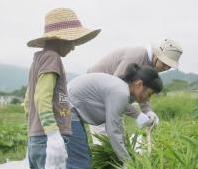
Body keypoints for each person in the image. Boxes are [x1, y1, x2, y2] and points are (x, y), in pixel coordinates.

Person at [24, 8, 100, 169]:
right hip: (48, 141)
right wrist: (52, 134)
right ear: (61, 39)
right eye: (72, 41)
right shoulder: (52, 58)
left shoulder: (38, 59)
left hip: (37, 139)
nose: (73, 47)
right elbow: (41, 97)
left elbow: (27, 101)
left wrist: (33, 131)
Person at [87, 39, 183, 144]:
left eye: (169, 66)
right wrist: (138, 115)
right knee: (105, 143)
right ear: (157, 55)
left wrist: (148, 111)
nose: (166, 68)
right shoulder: (137, 58)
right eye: (164, 63)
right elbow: (115, 93)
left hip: (109, 98)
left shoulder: (150, 66)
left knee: (120, 140)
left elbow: (142, 93)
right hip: (97, 96)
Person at [67, 64, 163, 168]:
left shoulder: (121, 88)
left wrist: (139, 116)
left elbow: (122, 106)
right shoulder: (121, 92)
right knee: (80, 161)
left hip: (67, 108)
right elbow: (113, 131)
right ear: (139, 84)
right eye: (149, 94)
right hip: (66, 110)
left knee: (80, 158)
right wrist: (127, 162)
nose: (147, 99)